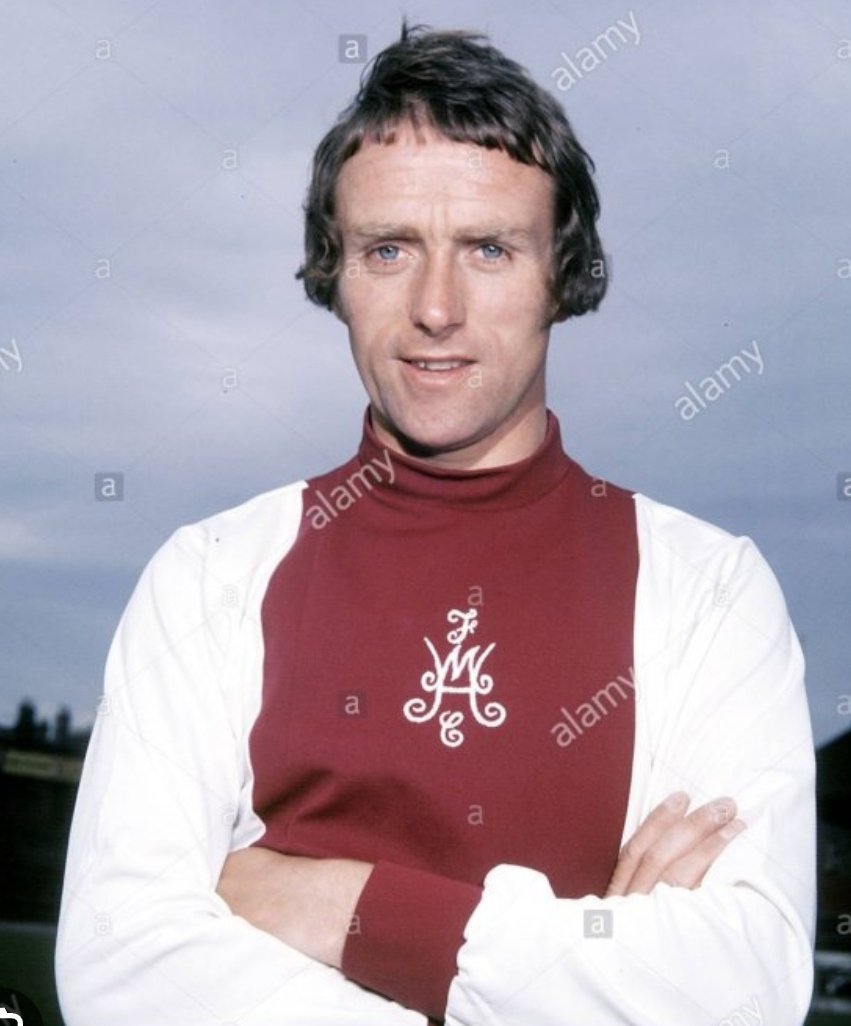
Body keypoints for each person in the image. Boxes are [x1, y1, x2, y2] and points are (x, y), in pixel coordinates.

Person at [55, 23, 815, 1026]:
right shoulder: (209, 575)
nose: (435, 308)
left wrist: (348, 906)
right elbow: (118, 967)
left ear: (561, 275)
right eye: (388, 250)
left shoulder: (708, 591)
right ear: (334, 272)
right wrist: (574, 969)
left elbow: (742, 991)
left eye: (489, 249)